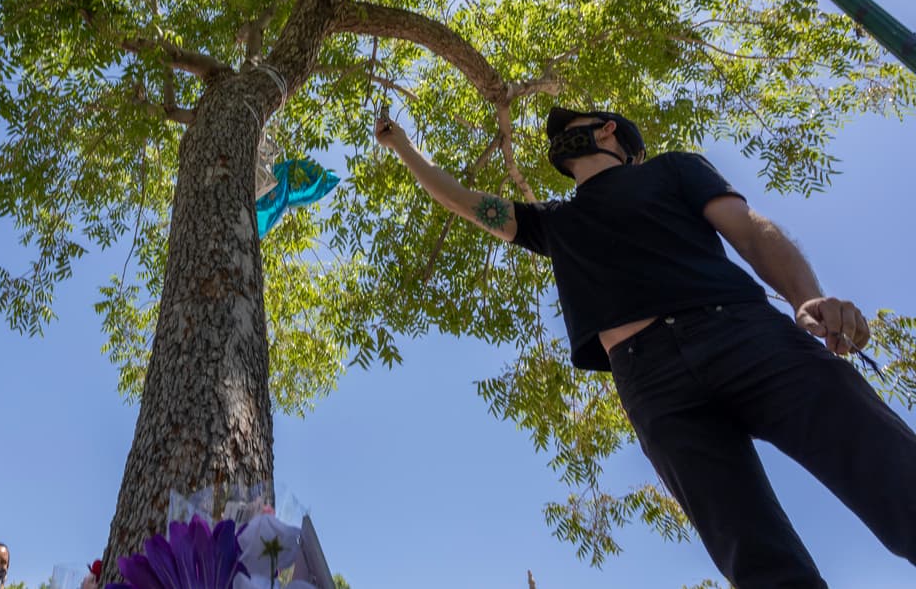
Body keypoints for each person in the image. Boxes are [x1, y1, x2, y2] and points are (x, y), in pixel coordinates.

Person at [375, 106, 916, 587]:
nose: (559, 138)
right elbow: (465, 202)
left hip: (743, 334)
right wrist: (402, 146)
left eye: (572, 128)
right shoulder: (552, 222)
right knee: (754, 556)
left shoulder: (673, 169)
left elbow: (748, 231)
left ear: (609, 132)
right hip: (652, 387)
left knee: (885, 466)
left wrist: (806, 299)